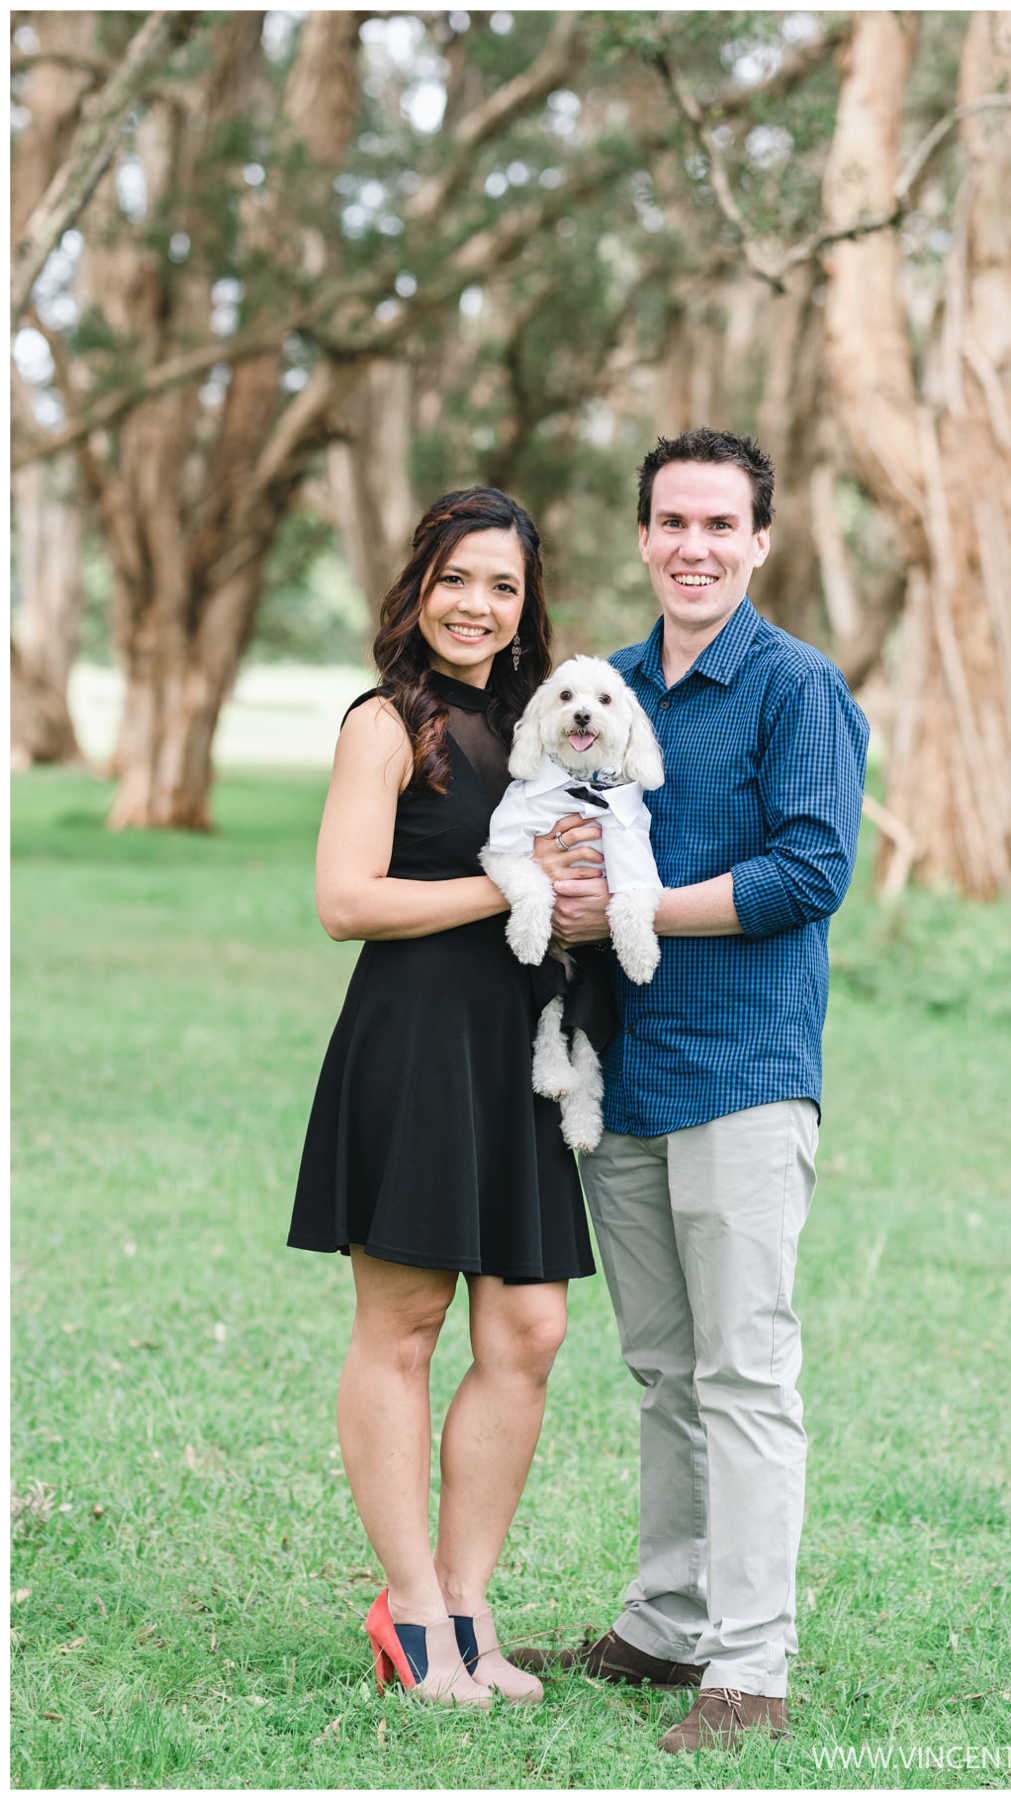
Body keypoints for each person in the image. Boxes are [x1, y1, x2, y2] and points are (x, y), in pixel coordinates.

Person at [513, 429, 867, 1754]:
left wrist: (638, 907)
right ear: (645, 534)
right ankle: (664, 1627)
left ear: (761, 541)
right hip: (624, 1072)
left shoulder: (796, 689)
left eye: (722, 525)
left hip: (742, 1075)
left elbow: (811, 872)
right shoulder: (606, 688)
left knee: (745, 1375)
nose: (695, 546)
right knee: (665, 1371)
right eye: (673, 522)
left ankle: (750, 1672)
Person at [288, 488, 598, 1710]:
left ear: (527, 608)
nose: (478, 605)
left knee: (530, 1330)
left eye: (504, 587)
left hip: (519, 1045)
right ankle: (408, 1609)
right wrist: (503, 882)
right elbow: (345, 902)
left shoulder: (544, 722)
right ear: (420, 585)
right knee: (404, 1327)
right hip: (414, 1042)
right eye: (458, 579)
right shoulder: (385, 723)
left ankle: (470, 1605)